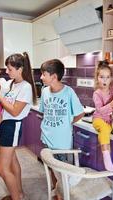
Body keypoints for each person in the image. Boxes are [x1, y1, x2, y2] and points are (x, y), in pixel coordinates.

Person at [0, 52, 37, 200]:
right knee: (12, 161)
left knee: (1, 168)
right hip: (4, 125)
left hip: (12, 126)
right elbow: (5, 106)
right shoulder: (12, 84)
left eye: (10, 69)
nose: (7, 72)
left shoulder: (26, 87)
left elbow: (15, 112)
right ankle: (19, 193)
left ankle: (16, 197)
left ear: (20, 69)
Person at [39, 59, 84, 199]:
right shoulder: (44, 91)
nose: (41, 77)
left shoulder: (68, 92)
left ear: (53, 77)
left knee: (64, 173)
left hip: (62, 142)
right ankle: (57, 193)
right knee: (52, 168)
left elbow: (80, 113)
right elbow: (43, 111)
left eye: (43, 74)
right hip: (46, 138)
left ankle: (63, 195)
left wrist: (68, 123)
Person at [92, 61, 113, 171]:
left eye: (107, 77)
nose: (105, 80)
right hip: (99, 119)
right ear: (97, 78)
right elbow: (100, 111)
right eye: (101, 77)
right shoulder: (97, 93)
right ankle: (106, 158)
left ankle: (108, 158)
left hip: (110, 121)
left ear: (111, 78)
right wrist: (112, 104)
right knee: (104, 130)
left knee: (109, 132)